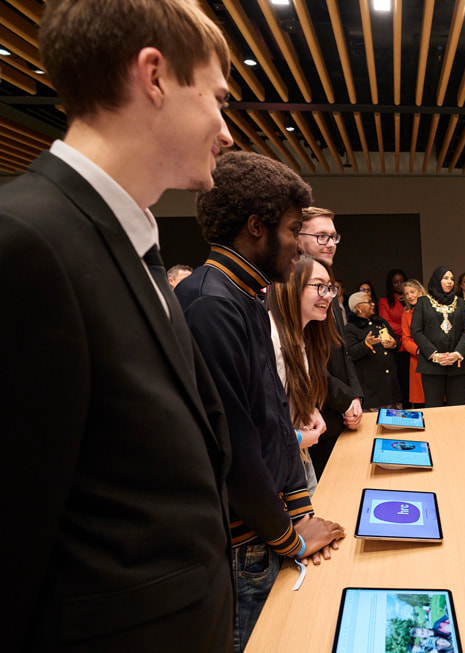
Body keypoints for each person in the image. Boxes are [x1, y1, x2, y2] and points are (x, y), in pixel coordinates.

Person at [1, 1, 236, 649]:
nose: (226, 131)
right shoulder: (24, 241)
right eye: (217, 98)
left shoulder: (128, 241)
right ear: (154, 76)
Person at [177, 152, 345, 650]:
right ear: (256, 227)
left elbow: (270, 413)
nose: (300, 245)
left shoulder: (245, 293)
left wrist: (299, 508)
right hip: (242, 540)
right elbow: (234, 445)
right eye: (294, 231)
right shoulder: (211, 303)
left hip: (265, 527)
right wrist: (289, 537)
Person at [267, 255, 341, 495]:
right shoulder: (269, 338)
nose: (327, 295)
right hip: (276, 468)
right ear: (291, 285)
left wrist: (309, 409)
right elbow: (257, 424)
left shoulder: (298, 337)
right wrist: (298, 438)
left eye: (330, 288)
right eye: (319, 286)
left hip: (296, 459)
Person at [298, 207, 364, 473]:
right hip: (315, 418)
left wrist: (355, 396)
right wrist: (345, 400)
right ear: (297, 238)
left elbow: (342, 350)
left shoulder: (328, 287)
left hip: (342, 414)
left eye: (333, 237)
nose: (330, 244)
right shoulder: (291, 289)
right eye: (321, 236)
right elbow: (305, 361)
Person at [412, 267, 465, 407]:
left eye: (452, 279)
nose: (450, 282)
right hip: (431, 365)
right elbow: (416, 331)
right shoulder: (423, 302)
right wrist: (435, 355)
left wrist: (457, 353)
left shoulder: (460, 302)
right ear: (437, 280)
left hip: (457, 364)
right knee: (434, 409)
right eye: (445, 278)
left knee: (457, 409)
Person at [345, 291, 401, 409]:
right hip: (371, 391)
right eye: (369, 302)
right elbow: (350, 353)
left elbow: (397, 341)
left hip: (390, 387)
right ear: (358, 307)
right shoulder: (350, 328)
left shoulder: (380, 322)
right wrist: (366, 344)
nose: (373, 304)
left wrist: (394, 344)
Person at [379, 268, 410, 406]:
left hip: (415, 345)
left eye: (401, 281)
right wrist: (408, 328)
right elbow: (387, 323)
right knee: (402, 380)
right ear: (391, 284)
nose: (399, 284)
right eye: (395, 282)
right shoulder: (384, 301)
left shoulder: (412, 298)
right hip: (398, 346)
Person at [400, 279, 427, 407]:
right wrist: (418, 350)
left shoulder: (434, 310)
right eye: (406, 293)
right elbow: (406, 339)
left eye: (412, 292)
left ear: (420, 291)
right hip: (417, 359)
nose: (410, 296)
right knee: (420, 401)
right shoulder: (406, 315)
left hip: (437, 358)